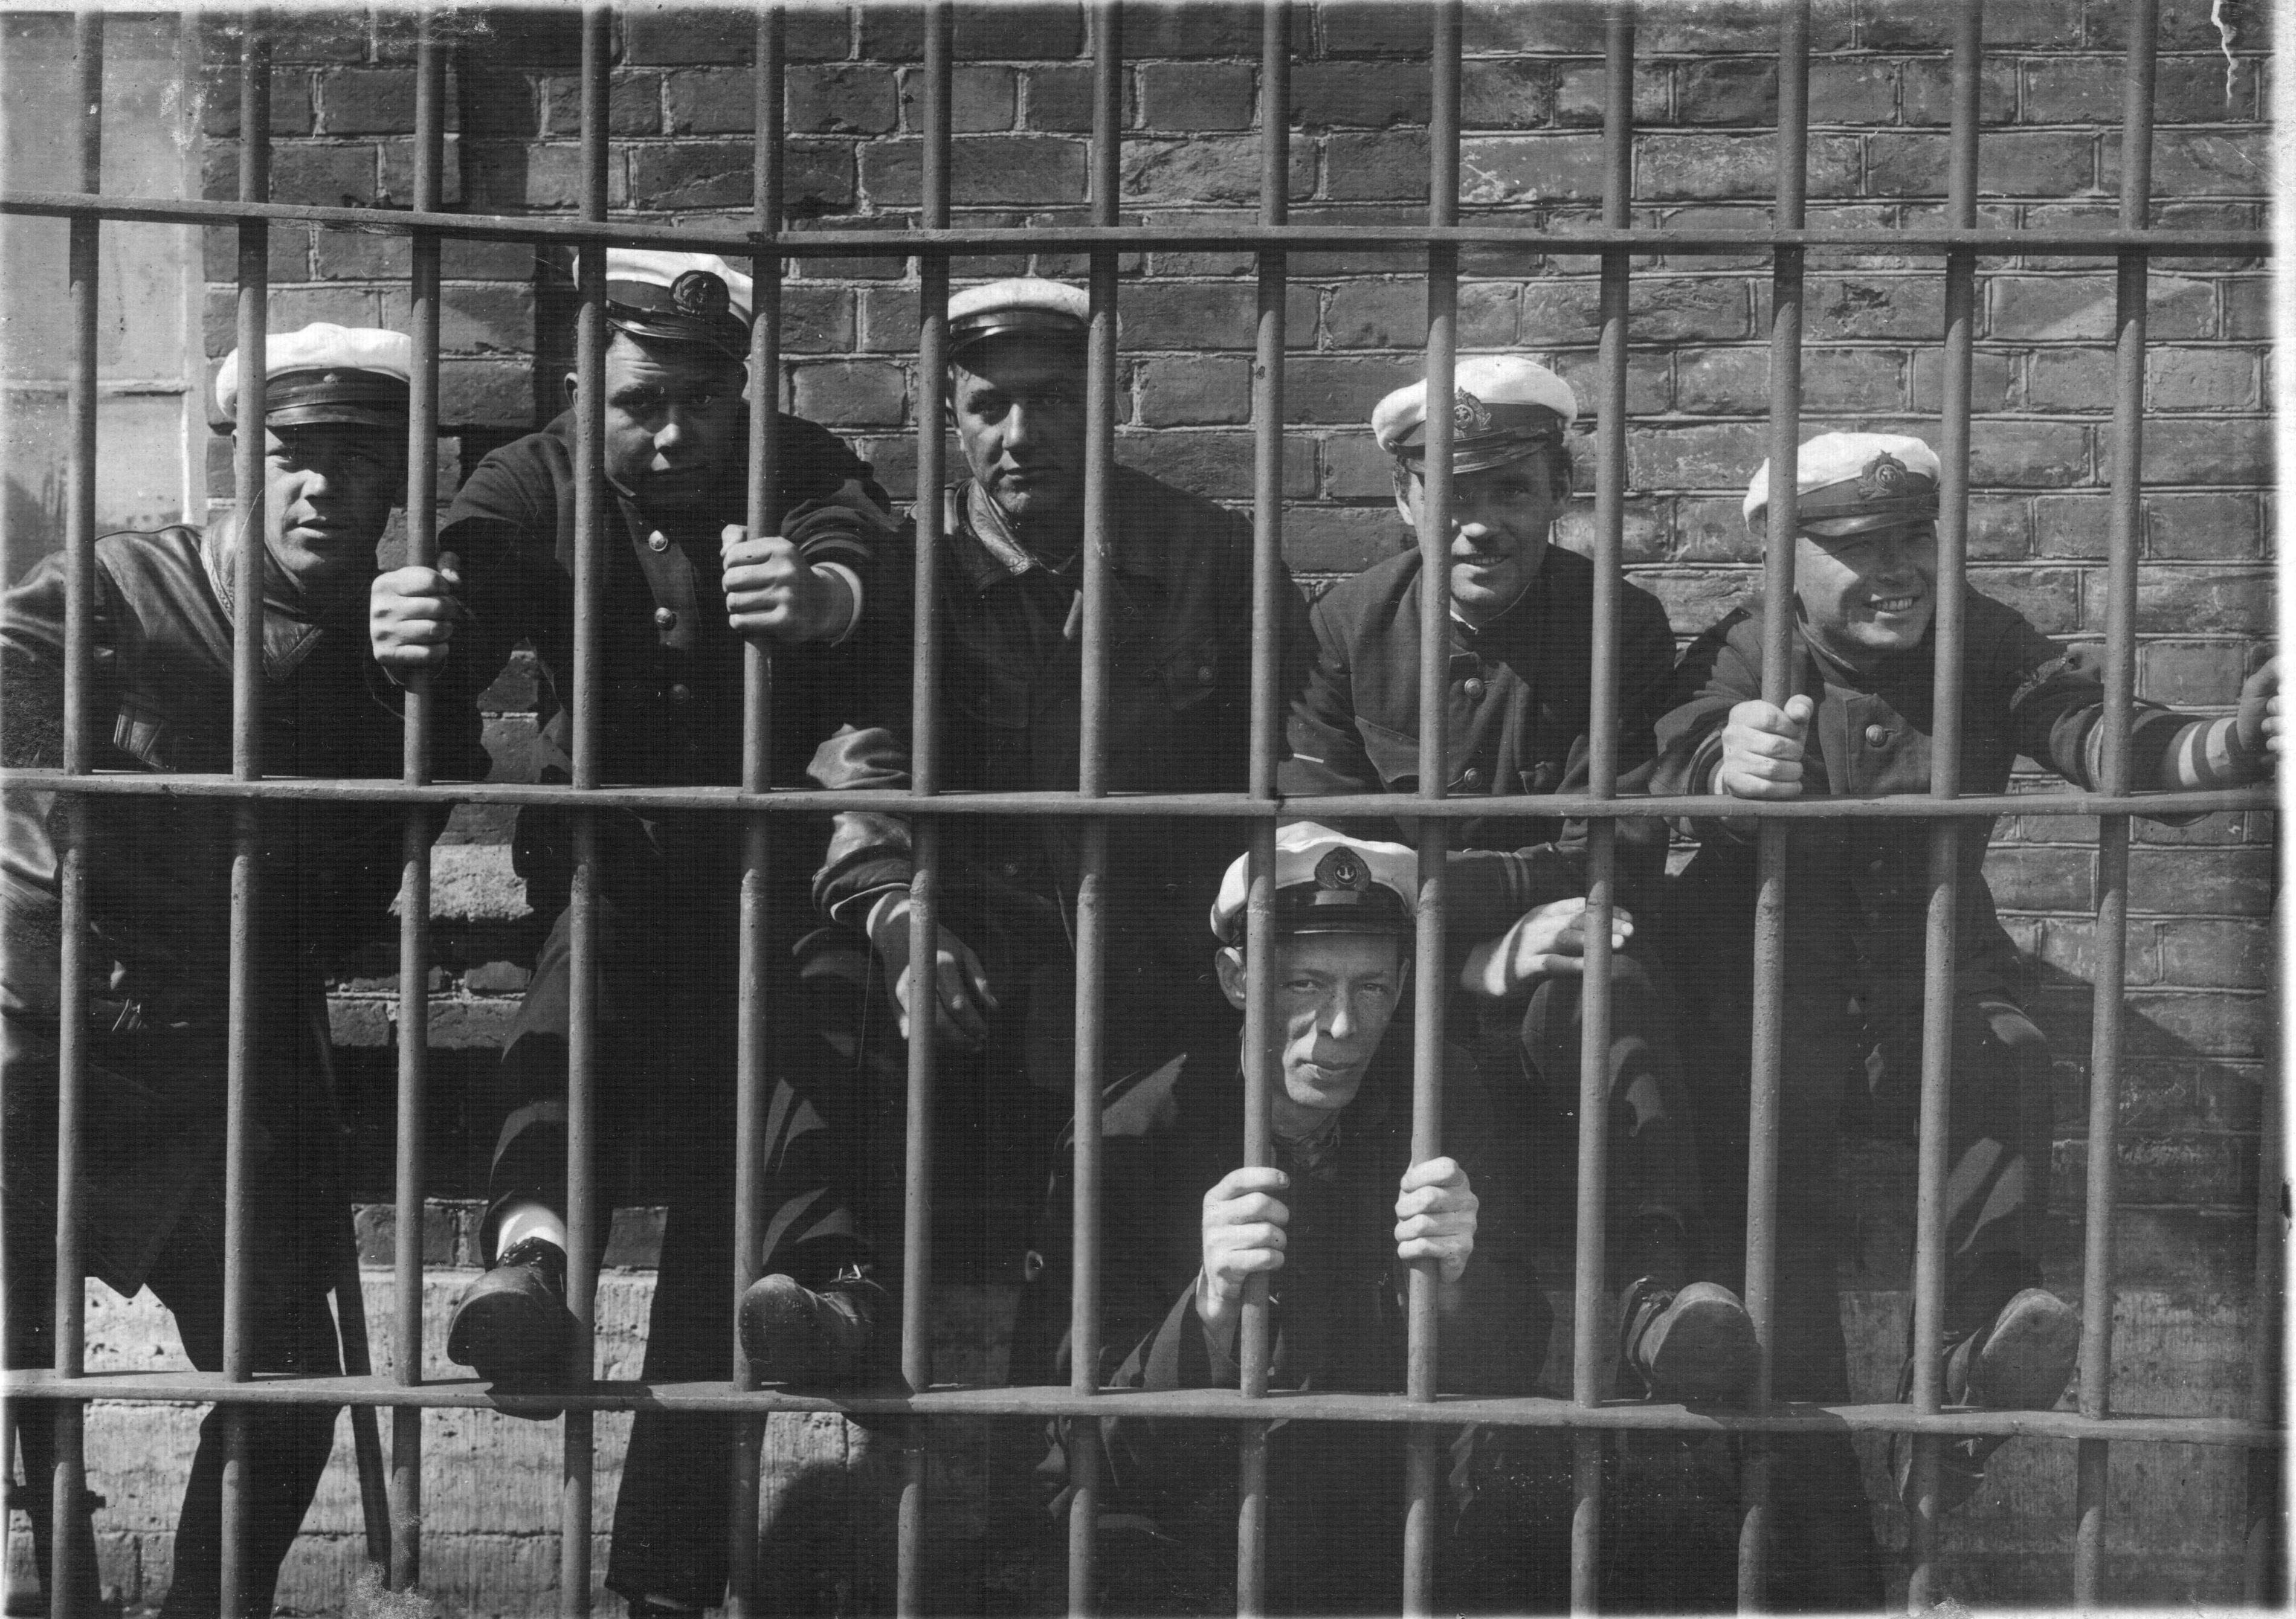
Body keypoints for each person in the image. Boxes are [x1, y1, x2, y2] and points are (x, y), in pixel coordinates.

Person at [1653, 430, 2280, 1599]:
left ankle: (1970, 1367)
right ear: (1781, 562)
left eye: (1913, 537)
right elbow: (1674, 748)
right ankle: (1826, 1582)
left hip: (1921, 992)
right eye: (1856, 547)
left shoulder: (1980, 637)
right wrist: (1723, 768)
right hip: (1763, 1011)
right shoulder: (1744, 644)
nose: (1896, 569)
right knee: (1778, 1303)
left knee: (2002, 1050)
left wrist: (2231, 744)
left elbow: (2098, 730)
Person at [366, 249, 900, 1617]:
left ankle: (811, 1289)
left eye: (703, 402)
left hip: (782, 884)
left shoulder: (795, 459)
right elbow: (473, 574)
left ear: (741, 393)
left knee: (786, 1092)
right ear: (582, 387)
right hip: (619, 879)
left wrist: (821, 596)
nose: (673, 434)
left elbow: (859, 545)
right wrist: (424, 621)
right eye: (640, 402)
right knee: (578, 986)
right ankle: (533, 1260)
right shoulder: (537, 474)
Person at [1, 324, 459, 1617]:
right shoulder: (121, 586)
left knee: (292, 1379)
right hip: (48, 1039)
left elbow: (369, 876)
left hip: (227, 1066)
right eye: (293, 456)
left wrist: (405, 701)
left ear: (394, 487)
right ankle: (53, 1567)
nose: (321, 490)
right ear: (244, 464)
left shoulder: (397, 649)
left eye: (356, 464)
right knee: (28, 1370)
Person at [802, 276, 1315, 1369]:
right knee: (837, 999)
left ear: (1106, 403)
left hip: (1166, 967)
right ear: (950, 418)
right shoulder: (911, 573)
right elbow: (860, 768)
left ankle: (1135, 1428)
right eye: (989, 406)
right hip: (986, 965)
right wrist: (896, 914)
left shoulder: (1211, 560)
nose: (1021, 434)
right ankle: (843, 1307)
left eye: (1052, 400)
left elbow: (1285, 772)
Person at [1277, 354, 1756, 1401]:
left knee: (1610, 979)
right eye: (1450, 492)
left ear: (1559, 494)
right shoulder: (1344, 628)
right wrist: (1483, 948)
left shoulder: (1616, 625)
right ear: (1406, 497)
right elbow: (1320, 866)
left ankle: (1655, 1299)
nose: (1479, 526)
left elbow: (1617, 850)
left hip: (1551, 990)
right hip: (1392, 988)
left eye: (1511, 491)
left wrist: (1441, 894)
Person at [1025, 823, 1550, 1614]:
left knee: (1534, 1474)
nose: (1341, 1026)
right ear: (1238, 980)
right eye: (1305, 985)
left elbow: (1515, 1370)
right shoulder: (1129, 1137)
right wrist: (1206, 1311)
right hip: (1203, 1511)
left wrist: (1455, 1284)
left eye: (1371, 988)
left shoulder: (1440, 1091)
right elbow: (1074, 1448)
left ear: (1405, 986)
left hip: (1381, 1506)